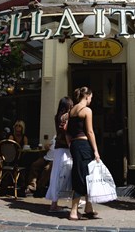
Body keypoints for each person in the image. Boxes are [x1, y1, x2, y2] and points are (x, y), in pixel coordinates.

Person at [66, 86, 100, 221]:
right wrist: (96, 150)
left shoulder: (71, 111)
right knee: (82, 176)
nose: (91, 100)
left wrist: (71, 145)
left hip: (75, 145)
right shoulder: (86, 110)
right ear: (87, 96)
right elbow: (90, 132)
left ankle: (88, 207)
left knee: (85, 174)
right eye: (91, 97)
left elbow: (67, 132)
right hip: (83, 145)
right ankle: (74, 211)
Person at [46, 96, 74, 212]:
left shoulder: (57, 116)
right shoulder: (66, 116)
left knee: (56, 174)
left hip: (58, 148)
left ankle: (54, 202)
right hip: (64, 148)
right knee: (63, 175)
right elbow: (66, 132)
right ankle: (55, 204)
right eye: (71, 105)